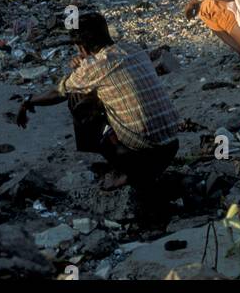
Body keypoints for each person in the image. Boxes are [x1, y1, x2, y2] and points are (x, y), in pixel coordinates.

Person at [16, 12, 179, 188]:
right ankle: (133, 167)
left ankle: (123, 170)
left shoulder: (94, 66)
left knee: (77, 97)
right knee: (100, 93)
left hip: (144, 149)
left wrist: (28, 101)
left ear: (82, 47)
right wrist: (85, 64)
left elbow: (58, 92)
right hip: (171, 143)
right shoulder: (134, 49)